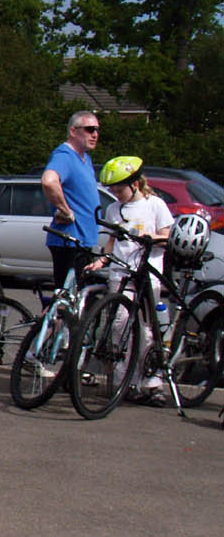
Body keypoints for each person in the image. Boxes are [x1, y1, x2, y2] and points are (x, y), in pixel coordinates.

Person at [98, 155, 172, 394]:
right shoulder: (113, 209)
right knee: (120, 325)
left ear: (135, 184)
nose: (116, 194)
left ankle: (150, 379)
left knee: (147, 330)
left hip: (147, 276)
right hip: (120, 273)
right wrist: (101, 260)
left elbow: (167, 235)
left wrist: (153, 239)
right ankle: (124, 382)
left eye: (119, 189)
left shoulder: (154, 205)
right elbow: (111, 240)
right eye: (113, 190)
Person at [41, 110, 102, 285]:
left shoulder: (85, 158)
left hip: (83, 241)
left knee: (81, 300)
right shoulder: (65, 156)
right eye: (90, 129)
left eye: (97, 130)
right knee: (67, 301)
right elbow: (49, 181)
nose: (95, 135)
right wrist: (65, 210)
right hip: (69, 242)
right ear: (73, 131)